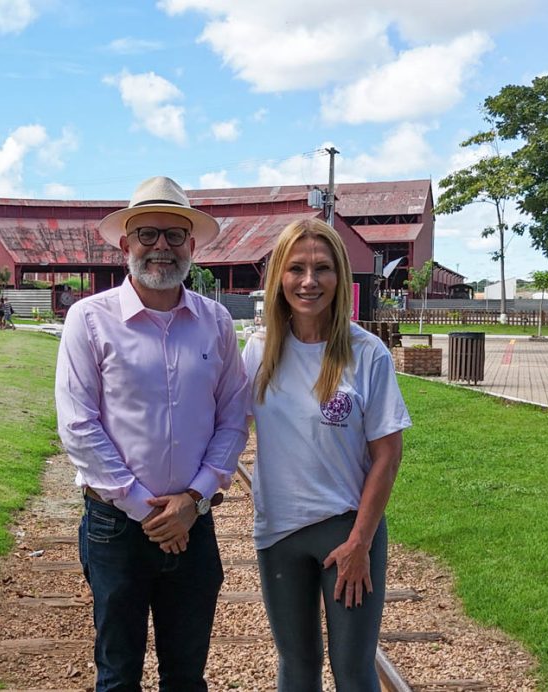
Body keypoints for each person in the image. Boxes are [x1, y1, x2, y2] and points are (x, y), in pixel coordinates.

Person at [55, 175, 250, 691]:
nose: (161, 246)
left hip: (194, 521)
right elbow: (78, 425)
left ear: (192, 246)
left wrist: (194, 499)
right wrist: (149, 510)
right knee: (118, 676)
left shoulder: (216, 323)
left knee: (186, 677)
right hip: (117, 527)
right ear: (126, 245)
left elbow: (233, 417)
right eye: (147, 234)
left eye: (174, 234)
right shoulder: (88, 320)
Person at [241, 218, 412, 691]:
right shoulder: (259, 351)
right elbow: (226, 429)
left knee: (353, 670)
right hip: (278, 532)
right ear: (279, 277)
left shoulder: (367, 353)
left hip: (346, 530)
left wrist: (360, 542)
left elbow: (388, 455)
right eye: (296, 268)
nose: (309, 281)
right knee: (297, 666)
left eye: (322, 268)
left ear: (340, 276)